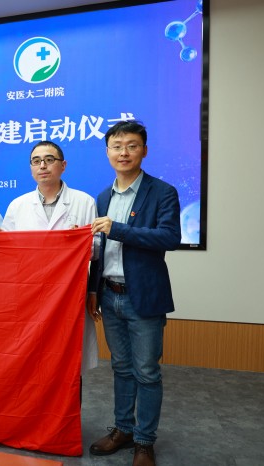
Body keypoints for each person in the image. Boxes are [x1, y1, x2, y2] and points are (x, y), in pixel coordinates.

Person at [89, 121, 181, 466]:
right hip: (109, 295)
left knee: (147, 372)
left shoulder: (162, 192)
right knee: (122, 368)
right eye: (117, 146)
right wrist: (93, 289)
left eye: (131, 145)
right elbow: (98, 250)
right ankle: (123, 429)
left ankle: (144, 441)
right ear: (107, 152)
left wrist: (119, 229)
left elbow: (169, 237)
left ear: (144, 150)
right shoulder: (103, 197)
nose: (123, 152)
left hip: (144, 297)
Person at [1, 140, 99, 375]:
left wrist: (77, 243)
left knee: (68, 364)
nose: (43, 166)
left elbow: (96, 249)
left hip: (68, 294)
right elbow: (6, 250)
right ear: (31, 168)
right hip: (29, 295)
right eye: (36, 161)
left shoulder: (84, 201)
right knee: (33, 362)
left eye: (49, 160)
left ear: (63, 165)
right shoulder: (18, 205)